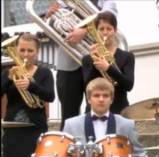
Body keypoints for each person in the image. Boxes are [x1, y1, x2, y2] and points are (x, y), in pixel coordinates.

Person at [46, 0, 118, 130]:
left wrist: (85, 31)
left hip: (97, 61)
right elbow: (56, 25)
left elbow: (109, 17)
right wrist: (50, 18)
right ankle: (68, 149)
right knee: (68, 115)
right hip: (68, 61)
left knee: (96, 111)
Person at [63, 77, 150, 157]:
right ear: (89, 99)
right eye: (96, 95)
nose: (101, 99)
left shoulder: (127, 124)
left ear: (111, 99)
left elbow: (141, 156)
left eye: (105, 96)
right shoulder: (71, 124)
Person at [1, 33, 55, 157]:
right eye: (22, 50)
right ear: (16, 51)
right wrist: (8, 79)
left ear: (37, 52)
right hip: (13, 130)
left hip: (35, 130)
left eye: (30, 51)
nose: (26, 54)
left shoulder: (45, 73)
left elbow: (50, 96)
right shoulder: (8, 73)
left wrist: (31, 86)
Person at [82, 11, 135, 114]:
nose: (105, 32)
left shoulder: (127, 56)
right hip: (94, 111)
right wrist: (95, 61)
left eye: (109, 29)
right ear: (96, 32)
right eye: (101, 29)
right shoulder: (87, 59)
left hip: (119, 110)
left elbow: (129, 85)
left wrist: (108, 68)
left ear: (114, 31)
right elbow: (87, 86)